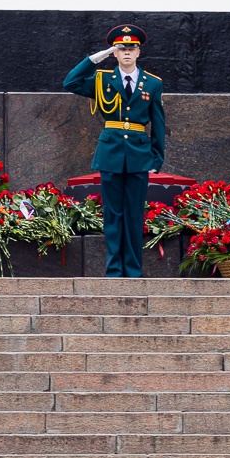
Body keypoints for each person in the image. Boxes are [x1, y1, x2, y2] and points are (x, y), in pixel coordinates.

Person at [62, 25, 167, 278]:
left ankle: (132, 269)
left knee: (134, 214)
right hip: (110, 154)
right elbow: (70, 82)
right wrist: (96, 58)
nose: (127, 53)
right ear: (115, 53)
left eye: (132, 48)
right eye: (121, 49)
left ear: (139, 53)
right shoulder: (102, 79)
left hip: (140, 155)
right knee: (113, 214)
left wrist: (156, 158)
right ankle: (114, 269)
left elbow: (159, 124)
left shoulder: (152, 83)